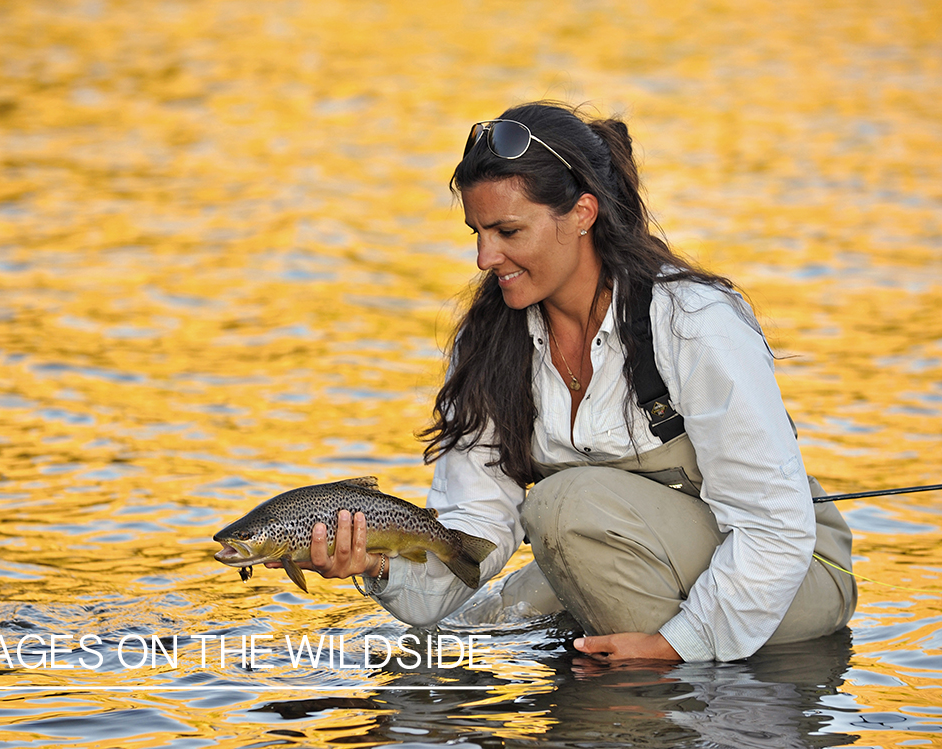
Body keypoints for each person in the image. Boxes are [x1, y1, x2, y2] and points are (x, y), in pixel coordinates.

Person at [279, 101, 856, 663]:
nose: (485, 257)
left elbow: (772, 526)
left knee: (561, 507)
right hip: (623, 552)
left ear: (582, 213)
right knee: (473, 623)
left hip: (792, 572)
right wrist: (379, 563)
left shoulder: (693, 322)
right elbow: (472, 533)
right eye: (476, 232)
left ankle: (647, 693)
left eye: (507, 230)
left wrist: (679, 645)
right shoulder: (484, 344)